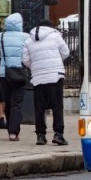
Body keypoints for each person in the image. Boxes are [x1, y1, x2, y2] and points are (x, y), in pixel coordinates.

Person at [23, 18, 70, 146]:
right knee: (57, 107)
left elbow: (25, 60)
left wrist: (36, 67)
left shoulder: (28, 40)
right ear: (50, 27)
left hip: (38, 77)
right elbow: (66, 52)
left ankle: (40, 135)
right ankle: (58, 134)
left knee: (39, 108)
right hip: (55, 75)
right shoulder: (55, 36)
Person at [0, 13, 29, 142]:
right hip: (20, 73)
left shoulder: (1, 36)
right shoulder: (26, 37)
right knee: (17, 103)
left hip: (4, 74)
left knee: (8, 102)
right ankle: (14, 132)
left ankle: (9, 129)